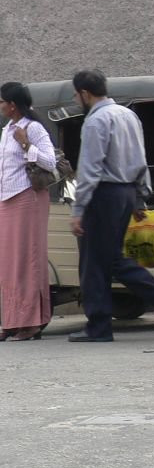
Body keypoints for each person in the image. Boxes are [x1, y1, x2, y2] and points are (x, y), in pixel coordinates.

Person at [67, 69, 154, 342]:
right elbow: (139, 157)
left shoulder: (96, 121)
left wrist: (78, 209)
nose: (76, 99)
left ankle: (99, 326)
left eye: (76, 94)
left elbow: (90, 168)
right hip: (126, 192)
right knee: (111, 258)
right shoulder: (128, 115)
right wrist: (140, 196)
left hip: (103, 194)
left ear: (85, 93)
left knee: (94, 262)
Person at [0, 82, 57, 340]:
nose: (0, 106)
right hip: (8, 198)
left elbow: (50, 161)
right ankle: (13, 321)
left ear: (12, 104)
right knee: (10, 262)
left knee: (27, 259)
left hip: (28, 197)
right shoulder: (6, 130)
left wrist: (26, 145)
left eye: (2, 101)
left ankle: (32, 322)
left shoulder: (32, 128)